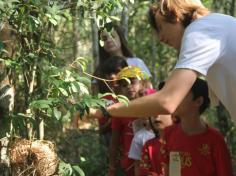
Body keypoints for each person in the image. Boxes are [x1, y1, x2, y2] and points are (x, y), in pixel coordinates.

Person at [76, 0, 236, 127]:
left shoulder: (200, 31)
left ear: (176, 15)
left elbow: (167, 101)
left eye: (161, 27)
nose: (161, 38)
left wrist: (104, 111)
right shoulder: (217, 23)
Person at [160, 78, 234, 176]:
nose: (174, 98)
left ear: (198, 101)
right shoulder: (168, 134)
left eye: (181, 93)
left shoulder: (215, 140)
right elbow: (172, 172)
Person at [92, 23, 153, 95]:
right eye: (104, 39)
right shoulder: (99, 72)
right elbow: (95, 97)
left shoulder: (137, 63)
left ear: (120, 38)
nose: (108, 40)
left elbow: (149, 88)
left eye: (112, 36)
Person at [108, 66, 145, 176]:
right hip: (130, 164)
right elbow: (114, 141)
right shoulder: (119, 111)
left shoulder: (151, 106)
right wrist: (112, 168)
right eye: (124, 85)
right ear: (120, 89)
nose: (129, 87)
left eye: (133, 82)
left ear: (142, 84)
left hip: (151, 160)